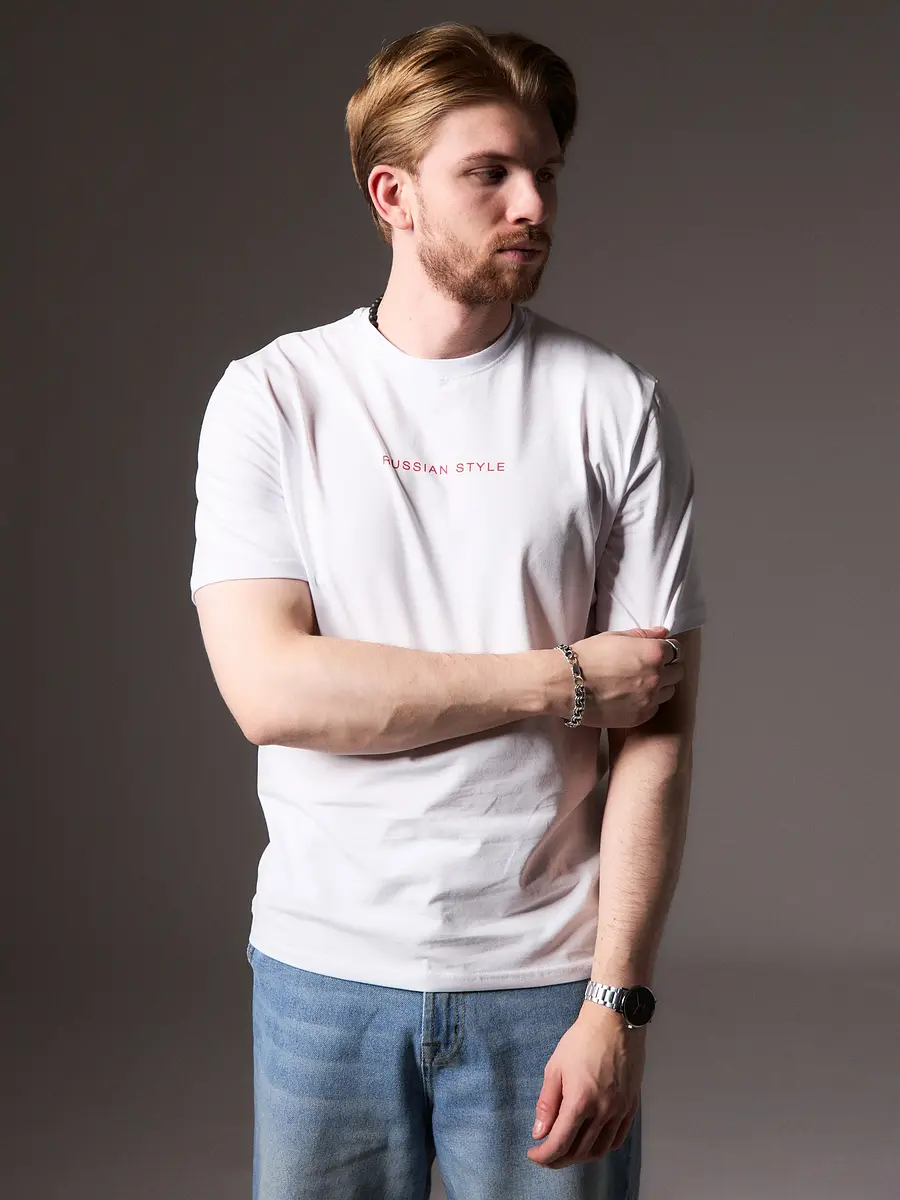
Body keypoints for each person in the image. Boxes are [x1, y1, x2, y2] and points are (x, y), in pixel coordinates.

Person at [189, 20, 707, 1200]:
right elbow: (270, 691)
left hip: (547, 982)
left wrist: (616, 1002)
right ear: (395, 196)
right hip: (324, 970)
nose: (534, 204)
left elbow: (658, 736)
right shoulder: (273, 400)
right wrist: (564, 680)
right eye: (491, 173)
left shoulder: (618, 408)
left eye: (547, 174)